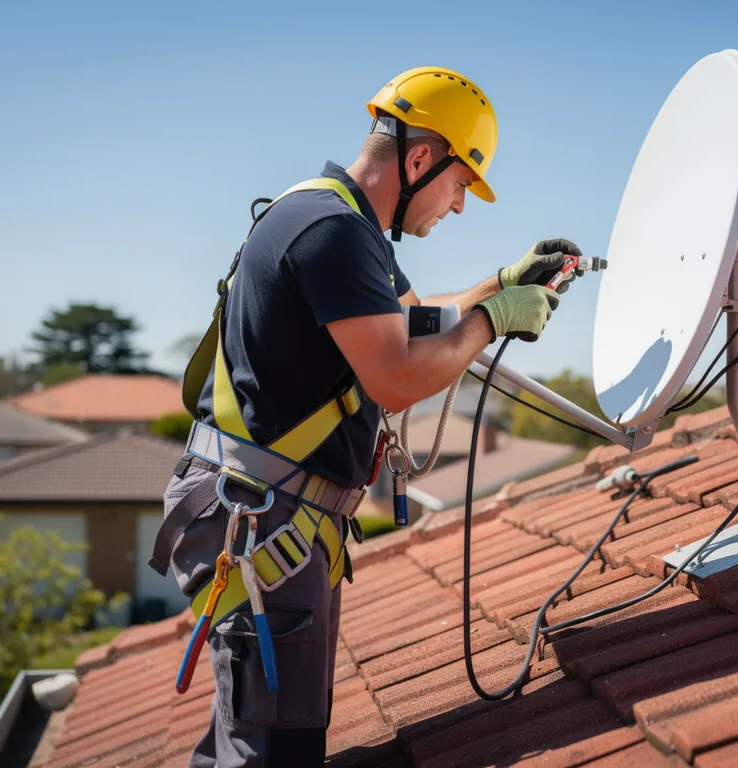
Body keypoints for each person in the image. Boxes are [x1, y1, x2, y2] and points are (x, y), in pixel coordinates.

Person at [147, 66, 583, 767]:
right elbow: (399, 375)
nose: (461, 205)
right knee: (271, 749)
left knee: (270, 734)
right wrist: (493, 322)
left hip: (274, 513)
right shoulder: (334, 230)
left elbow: (407, 321)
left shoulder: (341, 222)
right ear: (419, 159)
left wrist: (497, 286)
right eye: (462, 182)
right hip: (264, 519)